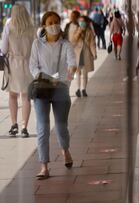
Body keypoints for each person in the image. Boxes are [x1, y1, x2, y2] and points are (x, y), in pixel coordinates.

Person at [29, 11, 77, 179]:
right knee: (42, 127)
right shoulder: (37, 44)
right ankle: (44, 167)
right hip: (42, 88)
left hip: (61, 89)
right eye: (50, 22)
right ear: (44, 25)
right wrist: (43, 77)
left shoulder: (66, 44)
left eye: (56, 22)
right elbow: (33, 66)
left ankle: (65, 150)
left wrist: (70, 74)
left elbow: (72, 63)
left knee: (61, 125)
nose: (54, 25)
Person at [0, 5, 35, 138]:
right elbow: (35, 49)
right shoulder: (32, 29)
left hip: (13, 65)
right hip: (27, 64)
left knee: (12, 95)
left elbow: (3, 49)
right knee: (26, 97)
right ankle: (24, 127)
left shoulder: (8, 27)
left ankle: (14, 124)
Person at [73, 15, 97, 97]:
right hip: (77, 55)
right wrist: (79, 32)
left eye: (83, 21)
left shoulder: (89, 32)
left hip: (86, 55)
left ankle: (84, 89)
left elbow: (92, 44)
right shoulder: (76, 30)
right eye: (80, 21)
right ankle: (78, 89)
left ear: (86, 22)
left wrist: (94, 53)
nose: (82, 23)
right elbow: (73, 41)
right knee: (78, 73)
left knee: (85, 73)